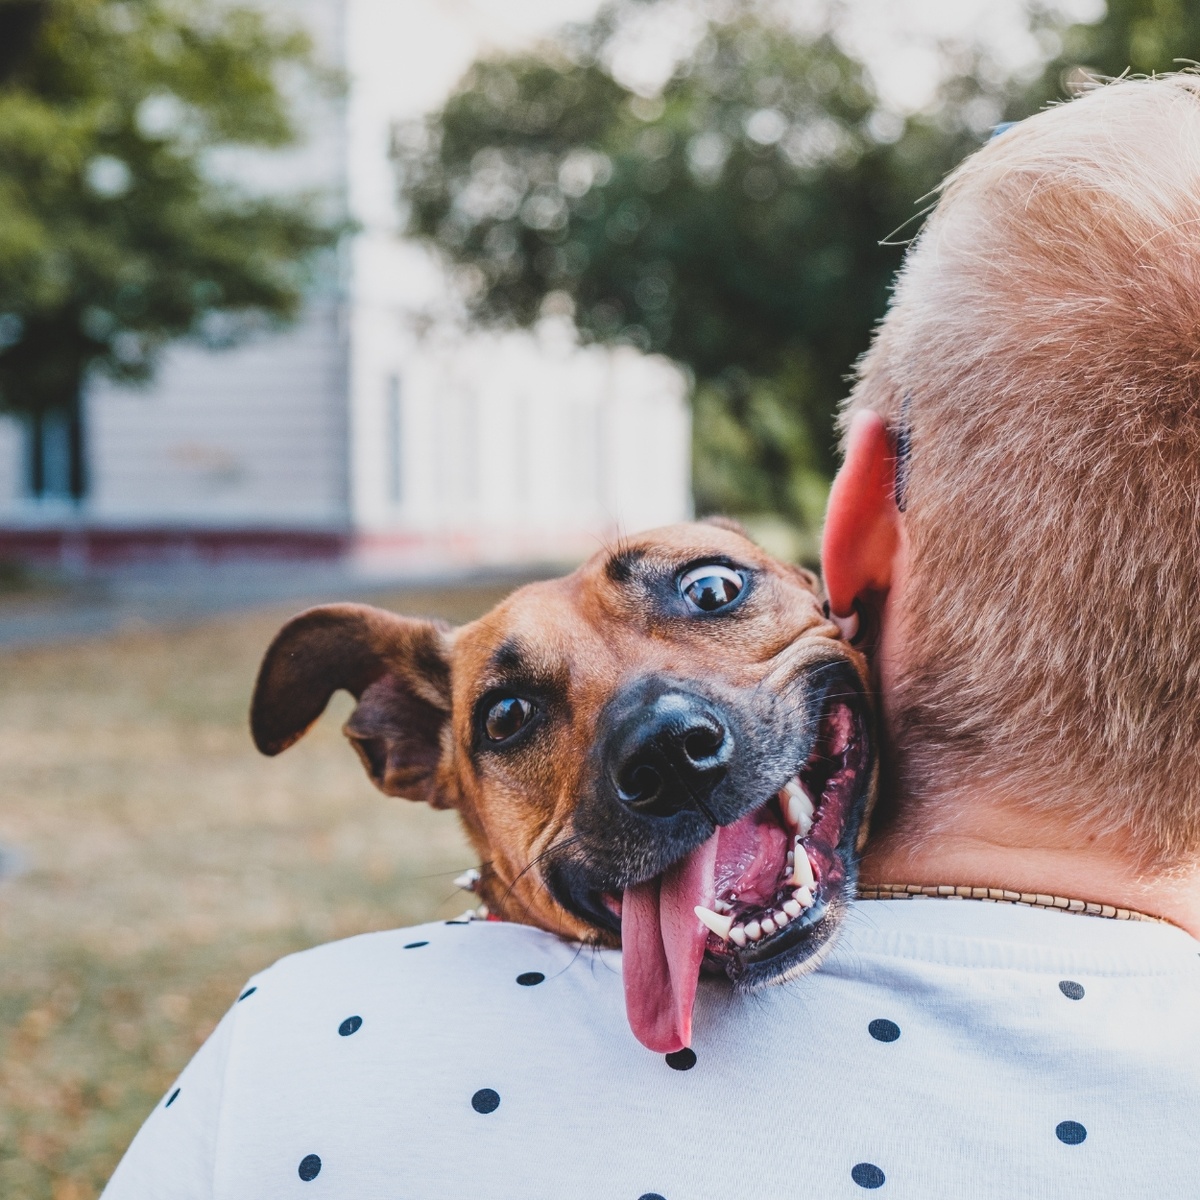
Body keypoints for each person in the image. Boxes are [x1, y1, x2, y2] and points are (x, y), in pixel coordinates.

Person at [101, 75, 1200, 1199]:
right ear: (417, 752)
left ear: (849, 544)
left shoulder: (296, 1058)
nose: (662, 719)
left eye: (713, 596)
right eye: (517, 714)